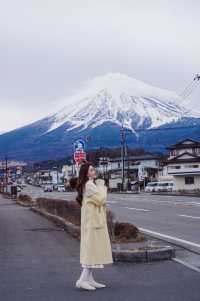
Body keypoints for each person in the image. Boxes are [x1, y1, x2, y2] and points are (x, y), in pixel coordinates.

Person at [70, 161, 113, 291]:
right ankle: (82, 280)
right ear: (86, 173)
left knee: (93, 250)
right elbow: (101, 200)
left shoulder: (88, 184)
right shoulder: (89, 185)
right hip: (93, 223)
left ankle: (89, 279)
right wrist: (101, 185)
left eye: (94, 169)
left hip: (93, 222)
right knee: (91, 250)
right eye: (92, 170)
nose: (94, 172)